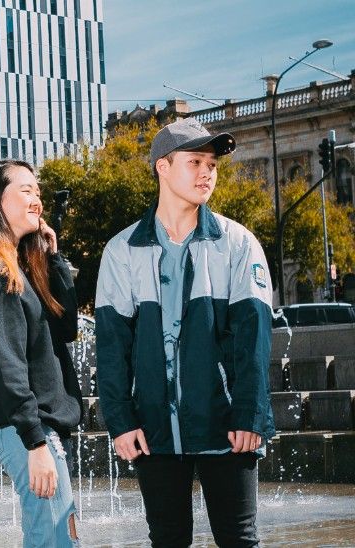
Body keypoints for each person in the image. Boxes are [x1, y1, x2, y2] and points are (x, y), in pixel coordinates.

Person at [95, 118, 274, 547]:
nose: (206, 173)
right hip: (153, 428)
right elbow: (111, 346)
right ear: (163, 166)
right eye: (195, 161)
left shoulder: (238, 243)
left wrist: (249, 415)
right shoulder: (122, 251)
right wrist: (120, 422)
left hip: (227, 425)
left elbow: (253, 341)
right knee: (168, 539)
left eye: (211, 164)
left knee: (239, 539)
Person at [0, 160, 82, 546]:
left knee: (59, 535)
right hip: (27, 428)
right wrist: (35, 440)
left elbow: (66, 330)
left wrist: (54, 258)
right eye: (25, 190)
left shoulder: (21, 266)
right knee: (53, 537)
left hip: (37, 427)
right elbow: (5, 361)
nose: (37, 198)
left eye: (37, 191)